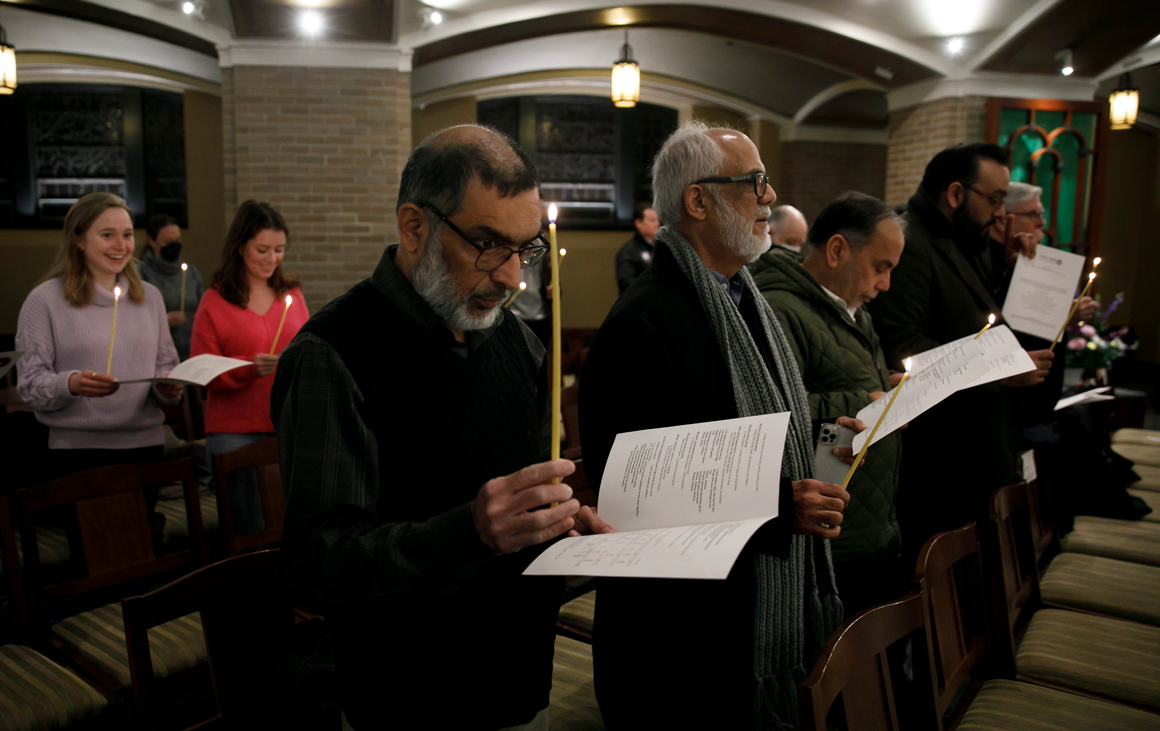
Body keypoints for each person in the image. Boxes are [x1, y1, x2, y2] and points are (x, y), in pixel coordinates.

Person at [271, 125, 609, 731]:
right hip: (405, 694)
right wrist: (470, 530)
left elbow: (519, 503)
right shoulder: (333, 354)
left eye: (526, 250)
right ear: (413, 227)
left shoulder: (520, 344)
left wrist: (557, 523)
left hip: (518, 676)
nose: (513, 280)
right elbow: (317, 566)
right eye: (488, 245)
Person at [580, 121, 865, 729]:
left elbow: (745, 431)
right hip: (682, 643)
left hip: (744, 605)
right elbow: (634, 499)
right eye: (754, 182)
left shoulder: (743, 300)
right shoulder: (643, 323)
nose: (769, 196)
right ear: (698, 200)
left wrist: (818, 439)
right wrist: (775, 507)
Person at [867, 143, 1054, 561]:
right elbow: (904, 347)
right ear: (955, 194)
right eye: (995, 199)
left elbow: (975, 319)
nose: (1002, 214)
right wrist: (1000, 369)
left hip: (976, 449)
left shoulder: (963, 241)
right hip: (941, 461)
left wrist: (1006, 269)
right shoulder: (911, 243)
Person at [749, 192, 908, 617]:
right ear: (838, 250)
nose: (885, 284)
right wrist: (863, 401)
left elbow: (846, 378)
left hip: (869, 522)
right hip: (829, 542)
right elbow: (772, 409)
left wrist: (885, 390)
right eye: (881, 267)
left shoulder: (853, 308)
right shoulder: (781, 309)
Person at [16, 193, 182, 481]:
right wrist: (70, 384)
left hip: (146, 447)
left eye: (127, 235)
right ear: (78, 240)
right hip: (78, 451)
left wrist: (167, 387)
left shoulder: (150, 297)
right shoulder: (44, 300)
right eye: (108, 235)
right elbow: (29, 383)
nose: (121, 246)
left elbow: (164, 366)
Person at [191, 200, 307, 536]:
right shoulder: (215, 301)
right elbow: (202, 370)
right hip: (234, 434)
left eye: (279, 249)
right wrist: (247, 369)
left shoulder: (292, 295)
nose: (272, 259)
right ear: (240, 247)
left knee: (291, 527)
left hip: (287, 426)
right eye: (262, 249)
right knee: (248, 529)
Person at [138, 214, 205, 360]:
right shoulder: (140, 274)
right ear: (152, 241)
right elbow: (135, 321)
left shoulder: (191, 273)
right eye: (167, 241)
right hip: (158, 357)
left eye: (177, 240)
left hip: (192, 353)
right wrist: (163, 321)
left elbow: (203, 314)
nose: (174, 246)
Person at [614, 203, 660, 293]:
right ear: (638, 223)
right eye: (652, 220)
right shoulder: (628, 252)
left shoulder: (661, 248)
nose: (657, 224)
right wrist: (653, 285)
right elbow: (626, 283)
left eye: (658, 220)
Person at [506, 256, 551, 348]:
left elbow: (551, 282)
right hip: (513, 318)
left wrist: (555, 291)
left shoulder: (544, 252)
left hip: (540, 319)